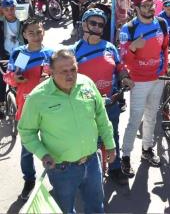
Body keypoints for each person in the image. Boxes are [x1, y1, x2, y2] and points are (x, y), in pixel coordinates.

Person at [18, 49, 116, 214]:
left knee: (96, 207)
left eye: (73, 69)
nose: (70, 75)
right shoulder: (37, 98)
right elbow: (26, 132)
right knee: (66, 210)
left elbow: (101, 116)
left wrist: (110, 144)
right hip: (61, 169)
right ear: (51, 72)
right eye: (64, 71)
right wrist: (43, 154)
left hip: (92, 162)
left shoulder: (87, 83)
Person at [72, 8, 134, 184]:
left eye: (101, 24)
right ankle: (89, 174)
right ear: (84, 24)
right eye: (93, 23)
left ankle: (115, 169)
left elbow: (119, 67)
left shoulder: (109, 47)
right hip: (85, 106)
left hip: (110, 102)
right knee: (90, 140)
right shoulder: (73, 50)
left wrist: (125, 78)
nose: (98, 27)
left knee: (112, 135)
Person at [119, 0, 169, 177]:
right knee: (134, 120)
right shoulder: (129, 29)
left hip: (158, 79)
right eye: (145, 6)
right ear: (137, 8)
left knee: (151, 117)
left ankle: (147, 149)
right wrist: (133, 48)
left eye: (151, 5)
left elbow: (165, 49)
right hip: (138, 82)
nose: (149, 9)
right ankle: (125, 156)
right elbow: (123, 60)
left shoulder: (161, 23)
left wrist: (164, 70)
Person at [3, 17, 53, 200]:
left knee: (53, 146)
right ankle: (29, 180)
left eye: (38, 31)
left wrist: (51, 79)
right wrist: (15, 79)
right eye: (31, 32)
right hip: (25, 108)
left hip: (49, 108)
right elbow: (8, 78)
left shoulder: (51, 53)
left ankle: (57, 178)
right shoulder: (19, 54)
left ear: (43, 32)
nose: (35, 36)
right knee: (26, 150)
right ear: (23, 35)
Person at [0, 0, 26, 118]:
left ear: (16, 8)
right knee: (2, 79)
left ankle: (22, 101)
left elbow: (28, 38)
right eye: (6, 9)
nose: (10, 11)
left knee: (21, 77)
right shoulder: (0, 23)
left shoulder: (23, 21)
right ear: (2, 10)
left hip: (20, 54)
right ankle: (1, 104)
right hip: (4, 55)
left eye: (12, 8)